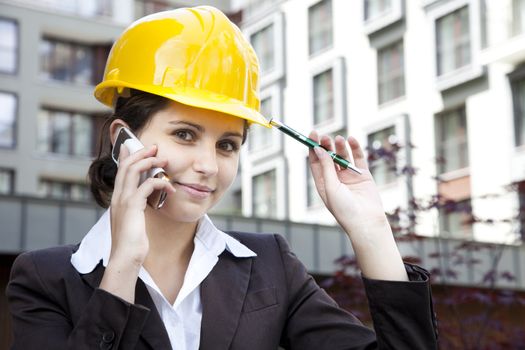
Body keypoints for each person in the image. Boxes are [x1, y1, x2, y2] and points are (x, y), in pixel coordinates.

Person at [6, 6, 438, 350]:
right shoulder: (45, 278)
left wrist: (372, 231)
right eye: (184, 134)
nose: (209, 165)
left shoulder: (270, 266)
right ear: (124, 140)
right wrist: (123, 265)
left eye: (227, 144)